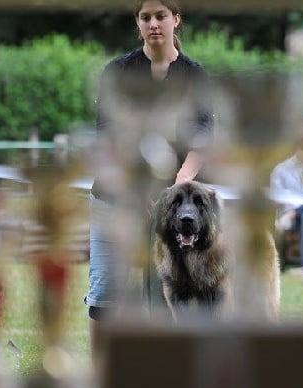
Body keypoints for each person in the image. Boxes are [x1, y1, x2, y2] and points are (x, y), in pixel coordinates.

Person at [85, 0, 213, 355]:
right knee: (106, 292)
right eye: (146, 17)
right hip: (113, 199)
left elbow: (204, 133)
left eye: (161, 16)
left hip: (173, 206)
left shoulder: (194, 74)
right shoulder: (118, 71)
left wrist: (178, 182)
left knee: (165, 293)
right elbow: (106, 135)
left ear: (176, 19)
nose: (154, 24)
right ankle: (103, 381)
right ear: (137, 24)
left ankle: (161, 374)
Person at [270, 125, 303, 279]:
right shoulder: (281, 171)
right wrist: (290, 212)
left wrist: (293, 213)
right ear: (297, 148)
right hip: (286, 217)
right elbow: (279, 199)